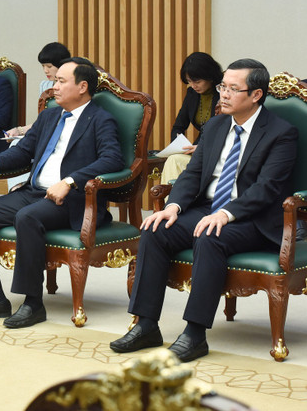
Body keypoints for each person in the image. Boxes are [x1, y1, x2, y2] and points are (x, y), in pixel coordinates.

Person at [110, 59, 298, 362]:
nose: (223, 94)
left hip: (252, 218)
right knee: (156, 229)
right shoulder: (216, 125)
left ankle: (195, 334)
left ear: (256, 95)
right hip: (207, 207)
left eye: (233, 89)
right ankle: (146, 325)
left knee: (210, 236)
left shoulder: (281, 133)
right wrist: (173, 207)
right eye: (223, 86)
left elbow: (267, 189)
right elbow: (193, 174)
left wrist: (226, 214)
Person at [0, 58, 124, 328]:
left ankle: (33, 303)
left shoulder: (100, 119)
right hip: (36, 192)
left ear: (82, 87)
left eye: (61, 81)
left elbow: (112, 159)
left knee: (27, 217)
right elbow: (24, 150)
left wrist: (69, 181)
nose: (53, 87)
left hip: (72, 199)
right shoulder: (49, 115)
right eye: (55, 81)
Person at [5, 42, 71, 190]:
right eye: (43, 66)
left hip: (63, 132)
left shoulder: (71, 86)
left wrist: (21, 130)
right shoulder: (45, 86)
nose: (45, 70)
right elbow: (42, 120)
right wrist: (20, 130)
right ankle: (16, 189)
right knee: (16, 144)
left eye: (49, 66)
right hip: (45, 130)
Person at [160, 52, 223, 183]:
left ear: (210, 76)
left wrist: (202, 147)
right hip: (198, 154)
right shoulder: (192, 94)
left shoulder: (224, 94)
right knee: (174, 159)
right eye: (189, 82)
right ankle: (171, 203)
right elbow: (178, 126)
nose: (193, 86)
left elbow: (225, 132)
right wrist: (179, 146)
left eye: (197, 81)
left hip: (217, 155)